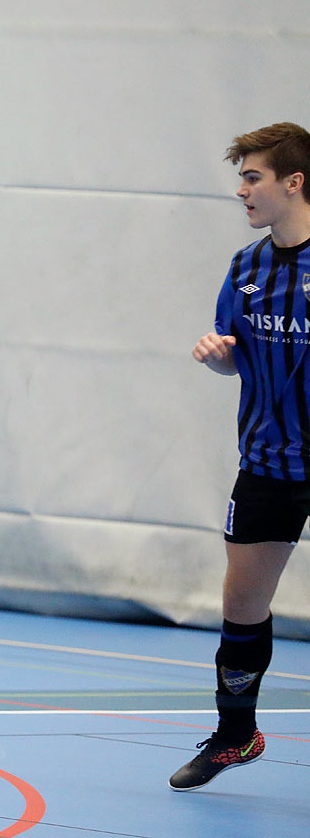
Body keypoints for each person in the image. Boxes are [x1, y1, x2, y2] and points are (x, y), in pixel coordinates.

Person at [173, 121, 310, 791]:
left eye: (253, 177)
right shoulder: (249, 271)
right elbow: (238, 351)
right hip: (268, 464)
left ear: (295, 182)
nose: (242, 190)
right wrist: (221, 358)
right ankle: (236, 737)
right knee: (242, 608)